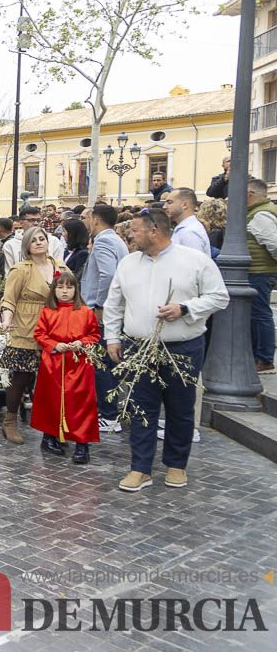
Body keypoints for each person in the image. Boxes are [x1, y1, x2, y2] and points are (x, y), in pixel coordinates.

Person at [104, 211, 229, 492]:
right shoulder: (127, 263)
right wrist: (112, 337)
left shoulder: (194, 260)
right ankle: (140, 468)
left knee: (180, 409)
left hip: (183, 347)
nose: (129, 235)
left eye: (134, 230)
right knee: (140, 409)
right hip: (139, 347)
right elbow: (114, 304)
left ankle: (176, 465)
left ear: (155, 230)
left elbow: (219, 297)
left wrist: (185, 309)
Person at [0, 227, 67, 445]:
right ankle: (10, 421)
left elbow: (72, 296)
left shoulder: (61, 267)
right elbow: (9, 299)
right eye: (33, 240)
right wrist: (7, 319)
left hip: (55, 328)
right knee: (21, 377)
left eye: (42, 239)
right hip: (25, 327)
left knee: (52, 380)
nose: (39, 243)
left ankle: (52, 425)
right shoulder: (21, 269)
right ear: (26, 246)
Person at [31, 271, 100, 464]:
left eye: (69, 287)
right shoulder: (47, 311)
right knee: (51, 399)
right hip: (53, 363)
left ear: (76, 290)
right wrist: (53, 345)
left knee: (80, 402)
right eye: (60, 287)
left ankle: (82, 443)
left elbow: (94, 335)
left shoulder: (86, 312)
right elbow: (40, 334)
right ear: (53, 290)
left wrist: (82, 343)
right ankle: (49, 436)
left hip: (79, 364)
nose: (64, 291)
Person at [82, 204, 130, 434]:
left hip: (103, 310)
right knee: (108, 362)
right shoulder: (117, 240)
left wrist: (100, 305)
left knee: (100, 363)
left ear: (95, 220)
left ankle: (109, 414)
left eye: (87, 218)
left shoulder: (103, 241)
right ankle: (110, 410)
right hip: (114, 308)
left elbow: (108, 274)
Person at [245, 177, 277, 373]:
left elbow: (273, 243)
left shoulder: (260, 215)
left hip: (260, 271)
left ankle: (264, 358)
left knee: (260, 314)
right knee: (257, 314)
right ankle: (260, 356)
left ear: (249, 195)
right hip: (259, 270)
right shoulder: (258, 213)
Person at [164, 188, 210, 257]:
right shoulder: (186, 229)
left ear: (184, 205)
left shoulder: (189, 232)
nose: (164, 206)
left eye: (169, 202)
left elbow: (194, 264)